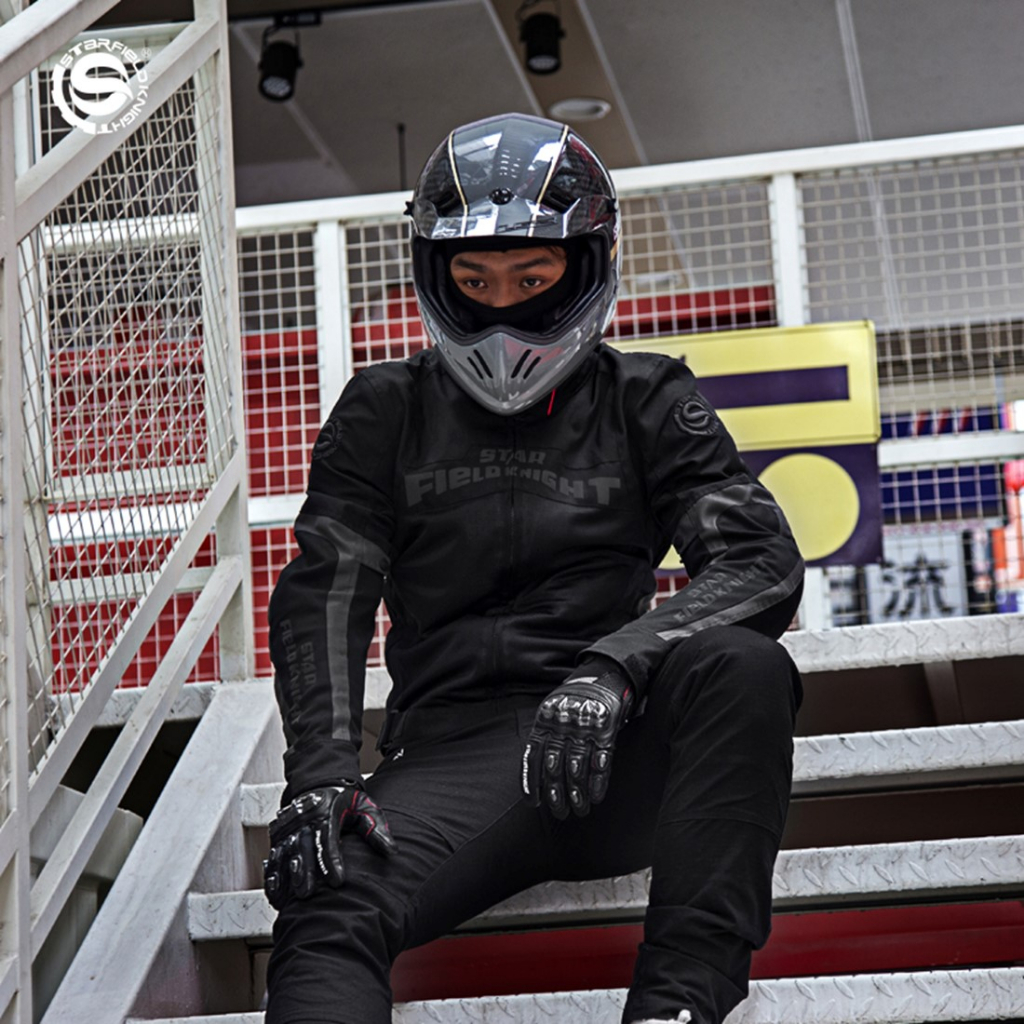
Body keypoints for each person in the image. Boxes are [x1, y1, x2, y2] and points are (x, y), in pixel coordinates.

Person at [262, 112, 805, 1024]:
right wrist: (320, 773)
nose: (503, 307)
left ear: (585, 265)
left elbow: (759, 558)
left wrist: (615, 669)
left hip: (622, 749)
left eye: (533, 277)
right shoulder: (383, 409)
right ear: (435, 272)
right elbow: (327, 588)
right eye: (475, 280)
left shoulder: (647, 398)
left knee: (744, 667)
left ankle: (678, 1006)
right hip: (452, 760)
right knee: (325, 902)